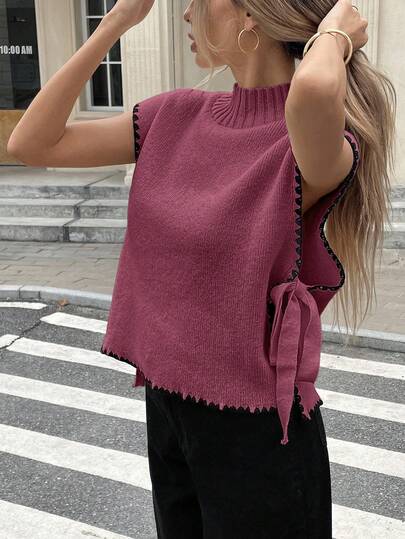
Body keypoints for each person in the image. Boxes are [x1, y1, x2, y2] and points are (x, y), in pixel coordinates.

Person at [7, 0, 396, 537]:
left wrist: (335, 34)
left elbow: (311, 90)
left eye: (199, 0)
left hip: (258, 436)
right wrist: (117, 21)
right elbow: (31, 143)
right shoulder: (175, 116)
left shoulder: (313, 142)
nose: (186, 14)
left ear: (251, 16)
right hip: (169, 409)